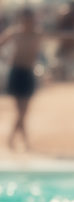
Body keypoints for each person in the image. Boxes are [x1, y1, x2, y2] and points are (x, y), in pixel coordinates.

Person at [0, 9, 43, 151]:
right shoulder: (15, 33)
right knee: (21, 110)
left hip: (28, 72)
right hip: (17, 72)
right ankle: (24, 142)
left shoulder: (38, 34)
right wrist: (5, 58)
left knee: (23, 111)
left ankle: (13, 139)